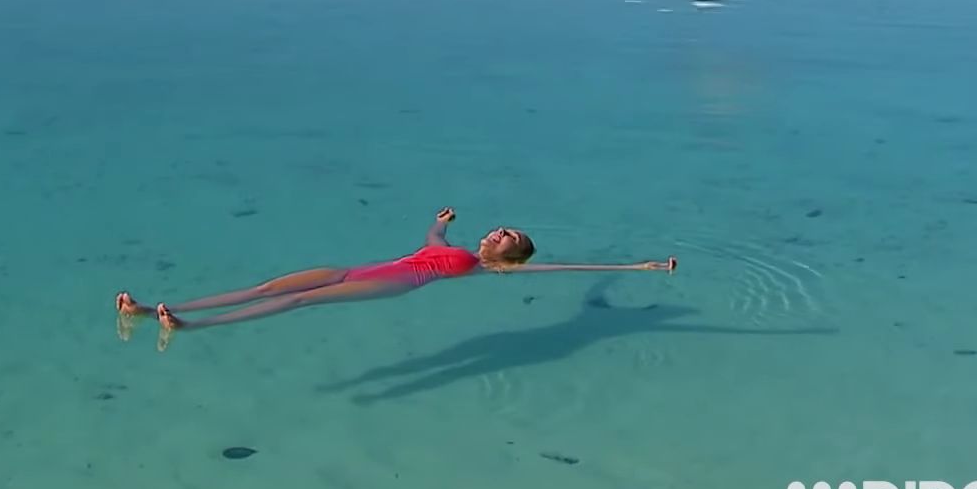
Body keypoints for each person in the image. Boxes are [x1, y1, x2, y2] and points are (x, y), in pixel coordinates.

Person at [115, 207, 677, 350]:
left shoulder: (487, 267)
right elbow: (431, 239)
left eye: (510, 235)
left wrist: (636, 267)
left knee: (304, 300)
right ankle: (149, 310)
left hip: (396, 282)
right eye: (503, 227)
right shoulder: (455, 248)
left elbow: (567, 270)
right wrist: (441, 221)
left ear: (512, 256)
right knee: (272, 286)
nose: (501, 231)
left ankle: (190, 327)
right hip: (365, 268)